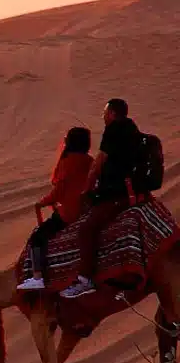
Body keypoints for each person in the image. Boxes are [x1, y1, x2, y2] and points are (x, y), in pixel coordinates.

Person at [60, 99, 141, 299]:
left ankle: (85, 279)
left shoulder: (114, 130)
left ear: (112, 113)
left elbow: (98, 165)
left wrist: (86, 191)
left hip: (115, 193)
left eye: (105, 112)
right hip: (131, 190)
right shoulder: (132, 128)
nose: (103, 116)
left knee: (86, 230)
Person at [17, 127, 93, 290]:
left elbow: (59, 192)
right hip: (87, 210)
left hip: (70, 213)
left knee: (37, 237)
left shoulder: (67, 162)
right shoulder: (90, 161)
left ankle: (38, 277)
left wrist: (42, 202)